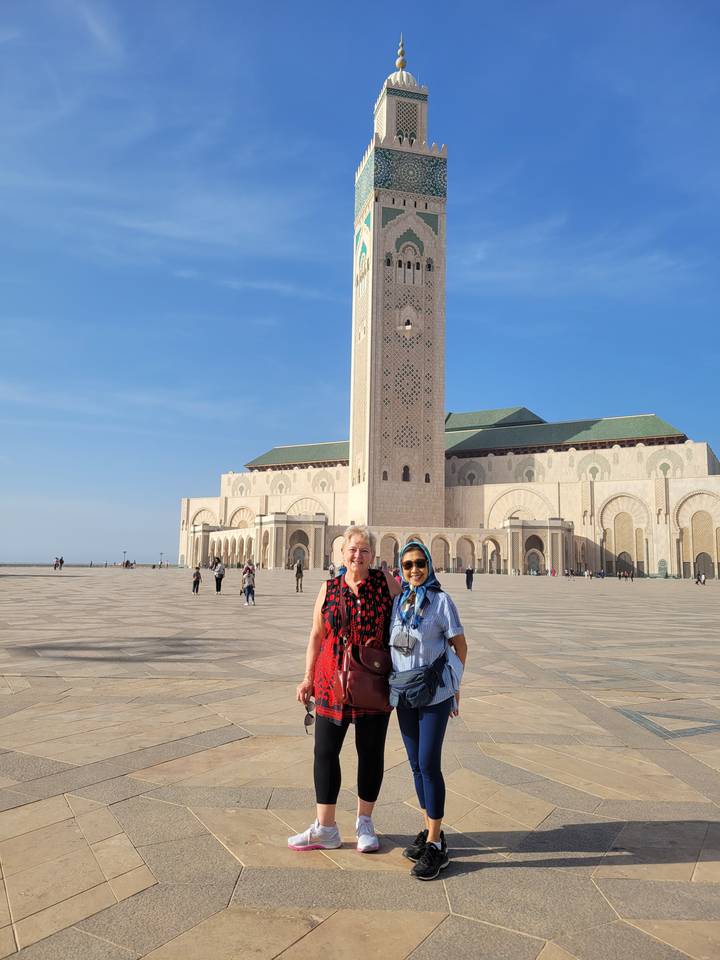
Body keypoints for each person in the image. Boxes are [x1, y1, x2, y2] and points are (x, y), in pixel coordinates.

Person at [288, 525, 401, 854]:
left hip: (371, 682)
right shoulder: (329, 588)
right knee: (324, 753)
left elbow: (405, 624)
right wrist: (307, 676)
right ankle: (325, 827)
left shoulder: (385, 584)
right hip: (329, 682)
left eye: (364, 550)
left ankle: (365, 823)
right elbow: (316, 635)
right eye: (353, 549)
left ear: (373, 555)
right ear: (342, 552)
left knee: (370, 754)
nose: (358, 555)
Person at [389, 540, 467, 880]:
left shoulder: (441, 601)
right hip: (405, 694)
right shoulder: (399, 602)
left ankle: (436, 845)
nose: (415, 570)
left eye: (420, 563)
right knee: (416, 766)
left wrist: (455, 687)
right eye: (408, 565)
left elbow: (460, 646)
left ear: (430, 565)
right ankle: (430, 829)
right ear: (401, 570)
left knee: (430, 764)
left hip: (434, 695)